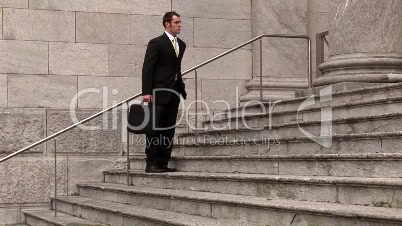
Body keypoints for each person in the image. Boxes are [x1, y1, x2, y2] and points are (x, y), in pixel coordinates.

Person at [141, 11, 187, 173]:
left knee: (169, 128)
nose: (180, 25)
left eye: (180, 22)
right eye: (176, 22)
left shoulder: (181, 44)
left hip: (174, 92)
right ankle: (151, 163)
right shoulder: (156, 43)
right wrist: (146, 92)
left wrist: (181, 86)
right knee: (155, 128)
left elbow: (176, 68)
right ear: (167, 24)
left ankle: (163, 162)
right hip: (157, 92)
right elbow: (148, 69)